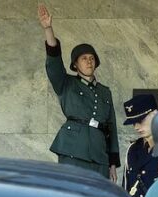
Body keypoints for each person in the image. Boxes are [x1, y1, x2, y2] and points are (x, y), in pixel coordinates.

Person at [37, 3, 120, 181]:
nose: (89, 62)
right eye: (84, 59)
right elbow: (54, 61)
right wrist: (48, 29)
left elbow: (111, 127)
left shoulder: (105, 92)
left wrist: (113, 163)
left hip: (99, 154)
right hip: (73, 149)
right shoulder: (66, 83)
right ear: (75, 64)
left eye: (92, 58)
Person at [122, 94, 158, 197]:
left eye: (140, 120)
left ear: (155, 114)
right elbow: (126, 189)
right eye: (133, 123)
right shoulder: (133, 150)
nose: (136, 127)